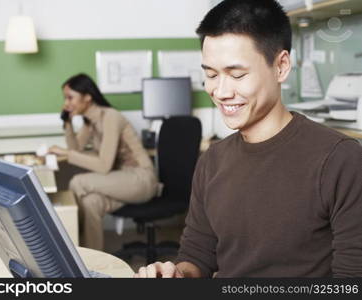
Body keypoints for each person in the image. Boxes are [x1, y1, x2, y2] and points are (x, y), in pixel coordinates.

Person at [135, 0, 362, 278]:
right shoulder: (212, 161)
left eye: (237, 74)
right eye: (210, 74)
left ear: (281, 66)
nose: (220, 91)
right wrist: (176, 275)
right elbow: (197, 255)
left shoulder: (340, 159)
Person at [49, 73, 158, 251]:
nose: (66, 103)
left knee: (77, 181)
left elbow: (103, 165)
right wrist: (67, 124)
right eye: (65, 98)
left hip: (141, 179)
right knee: (90, 202)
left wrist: (66, 153)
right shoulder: (90, 122)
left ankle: (71, 247)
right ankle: (92, 262)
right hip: (120, 180)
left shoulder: (110, 117)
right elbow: (76, 151)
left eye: (70, 97)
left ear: (87, 97)